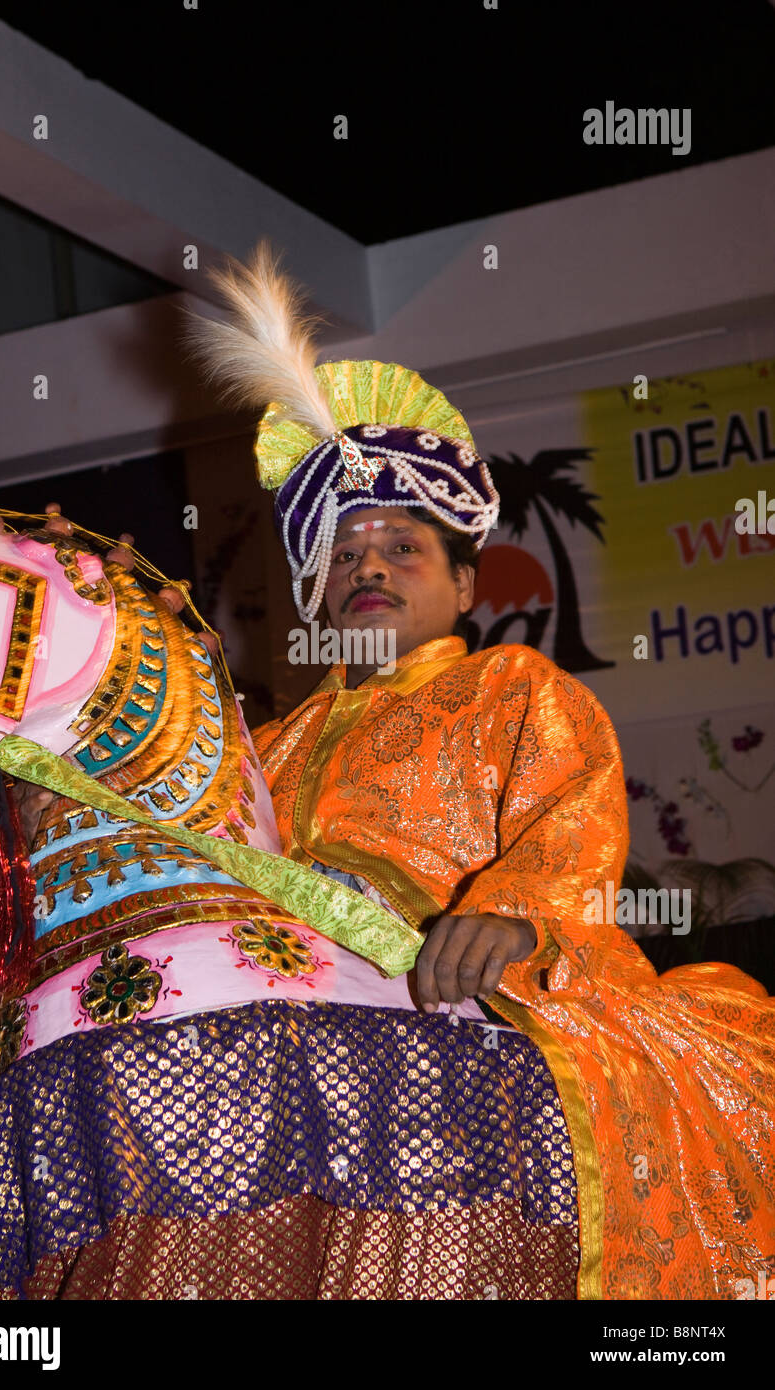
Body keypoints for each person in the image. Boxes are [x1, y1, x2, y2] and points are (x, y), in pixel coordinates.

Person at [186, 243, 775, 1300]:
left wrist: (508, 916)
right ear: (317, 600)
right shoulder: (261, 744)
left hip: (477, 992)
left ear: (465, 583)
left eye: (400, 547)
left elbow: (569, 813)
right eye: (344, 554)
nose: (366, 564)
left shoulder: (508, 685)